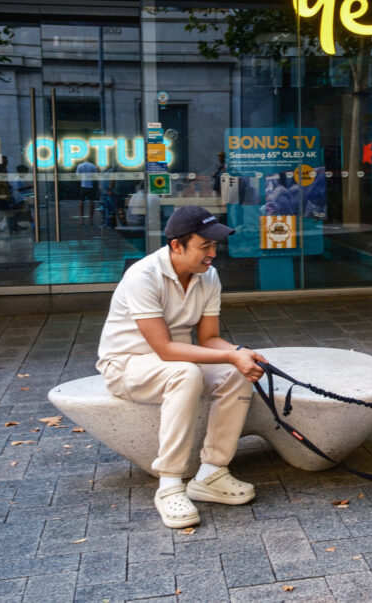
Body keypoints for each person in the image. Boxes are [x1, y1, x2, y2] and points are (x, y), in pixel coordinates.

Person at [96, 206, 265, 528]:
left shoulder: (208, 276)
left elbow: (210, 338)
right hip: (126, 365)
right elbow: (164, 348)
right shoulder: (142, 276)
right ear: (177, 245)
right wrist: (231, 355)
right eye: (205, 246)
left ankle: (212, 473)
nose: (213, 254)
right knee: (185, 373)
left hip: (173, 360)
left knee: (235, 373)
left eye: (215, 246)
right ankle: (170, 484)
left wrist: (241, 353)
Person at [76, 159, 98, 225]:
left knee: (81, 201)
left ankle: (81, 220)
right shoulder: (93, 166)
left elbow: (77, 175)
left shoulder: (80, 165)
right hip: (90, 186)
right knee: (92, 202)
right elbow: (96, 176)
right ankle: (91, 220)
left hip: (83, 185)